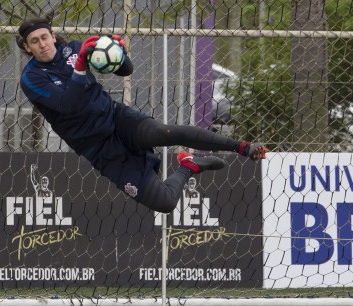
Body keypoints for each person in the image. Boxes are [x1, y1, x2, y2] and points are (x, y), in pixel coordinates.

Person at [16, 17, 267, 213]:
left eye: (44, 37)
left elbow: (126, 70)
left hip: (116, 119)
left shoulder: (73, 49)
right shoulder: (31, 78)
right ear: (27, 47)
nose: (42, 44)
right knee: (165, 203)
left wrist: (117, 52)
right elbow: (68, 103)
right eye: (35, 41)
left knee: (163, 132)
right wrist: (81, 65)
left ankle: (243, 147)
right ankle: (188, 166)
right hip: (97, 148)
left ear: (53, 36)